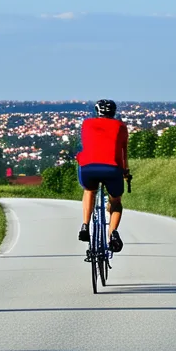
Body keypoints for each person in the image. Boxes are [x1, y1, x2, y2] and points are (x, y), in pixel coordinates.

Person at [75, 98, 131, 252]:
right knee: (116, 202)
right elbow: (123, 154)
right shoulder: (121, 126)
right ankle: (113, 233)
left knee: (89, 190)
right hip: (112, 169)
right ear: (114, 112)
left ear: (96, 111)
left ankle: (85, 225)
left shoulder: (87, 124)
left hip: (88, 167)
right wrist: (126, 173)